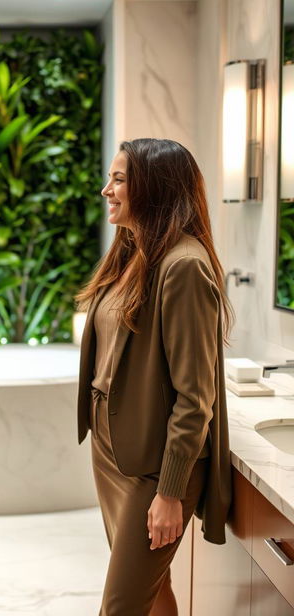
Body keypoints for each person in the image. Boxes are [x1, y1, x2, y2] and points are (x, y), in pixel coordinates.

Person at [76, 138, 233, 616]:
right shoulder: (133, 254)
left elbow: (194, 396)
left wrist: (169, 491)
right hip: (114, 454)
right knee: (150, 591)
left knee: (121, 605)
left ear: (155, 187)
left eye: (119, 179)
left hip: (154, 465)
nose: (107, 190)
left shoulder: (183, 266)